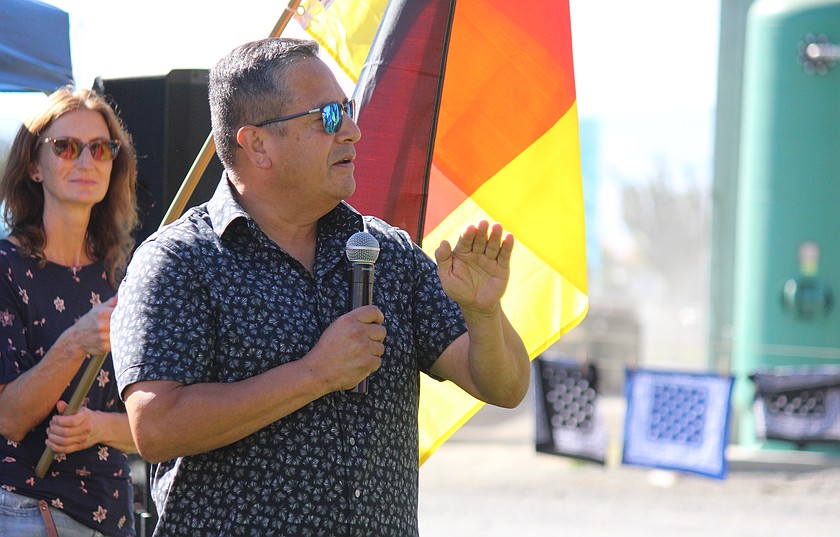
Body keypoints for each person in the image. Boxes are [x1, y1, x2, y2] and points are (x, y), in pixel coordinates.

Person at [111, 37, 529, 537]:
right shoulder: (179, 261)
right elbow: (155, 427)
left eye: (347, 110)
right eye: (328, 117)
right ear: (257, 144)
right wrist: (315, 373)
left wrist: (484, 316)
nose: (352, 131)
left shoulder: (388, 252)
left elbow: (506, 387)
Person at [0, 87, 139, 536]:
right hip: (28, 511)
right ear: (34, 166)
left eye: (100, 149)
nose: (85, 161)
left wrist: (97, 426)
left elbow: (162, 423)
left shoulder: (127, 275)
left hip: (114, 514)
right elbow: (9, 418)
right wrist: (76, 342)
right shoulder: (5, 267)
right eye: (65, 147)